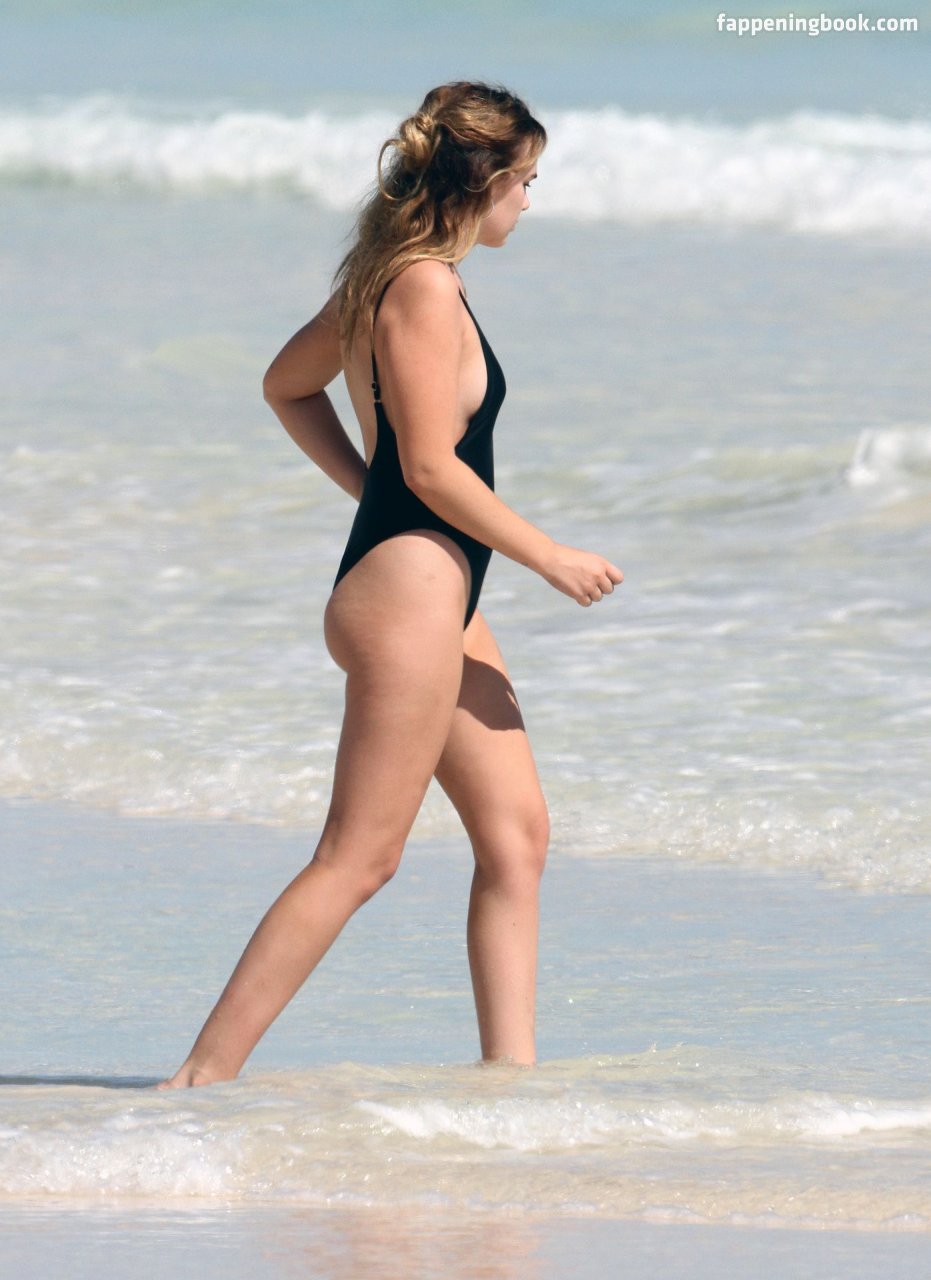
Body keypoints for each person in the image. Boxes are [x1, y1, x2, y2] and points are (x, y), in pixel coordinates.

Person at [161, 81, 622, 1088]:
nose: (529, 201)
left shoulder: (389, 277)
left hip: (435, 592)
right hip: (407, 594)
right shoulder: (420, 286)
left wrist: (371, 498)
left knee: (516, 835)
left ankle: (509, 1085)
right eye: (525, 180)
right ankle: (196, 1081)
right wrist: (548, 554)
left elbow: (287, 386)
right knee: (360, 856)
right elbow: (426, 466)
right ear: (483, 181)